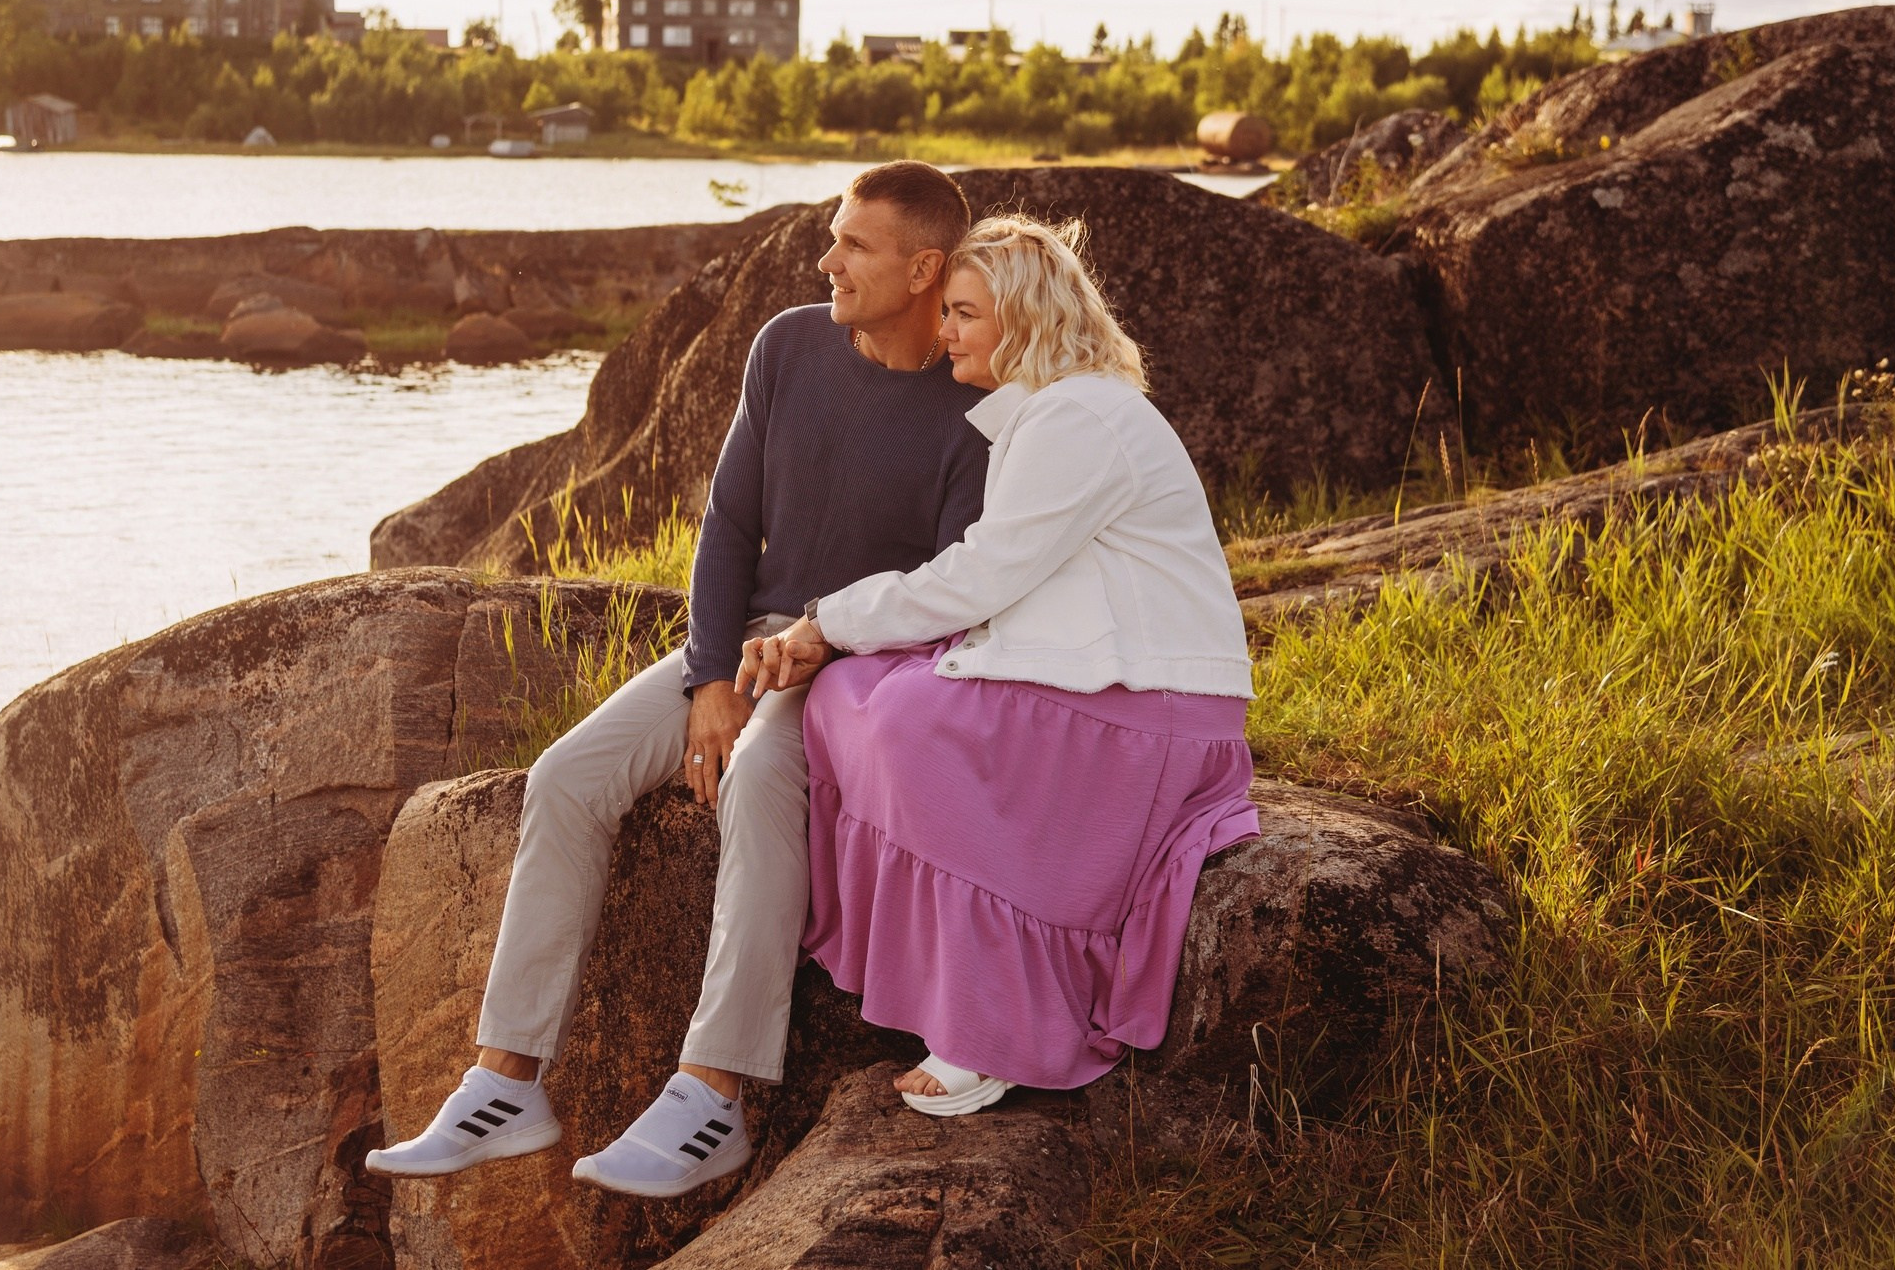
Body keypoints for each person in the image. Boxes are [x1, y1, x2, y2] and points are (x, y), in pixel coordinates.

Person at [366, 162, 990, 1195]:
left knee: (756, 777)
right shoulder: (789, 343)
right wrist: (710, 674)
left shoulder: (974, 406)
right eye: (831, 237)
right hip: (737, 638)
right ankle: (506, 1077)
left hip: (854, 661)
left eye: (853, 245)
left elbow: (940, 592)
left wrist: (803, 653)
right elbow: (727, 525)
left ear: (923, 268)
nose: (825, 258)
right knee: (565, 775)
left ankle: (715, 1091)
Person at [737, 214, 1257, 1112]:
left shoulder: (1080, 415)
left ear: (1025, 319)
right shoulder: (1048, 411)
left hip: (1156, 708)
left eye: (965, 313)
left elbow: (983, 571)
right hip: (1104, 683)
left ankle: (992, 1025)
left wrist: (828, 618)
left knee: (906, 719)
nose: (945, 331)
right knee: (852, 697)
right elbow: (1003, 578)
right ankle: (942, 982)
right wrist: (847, 636)